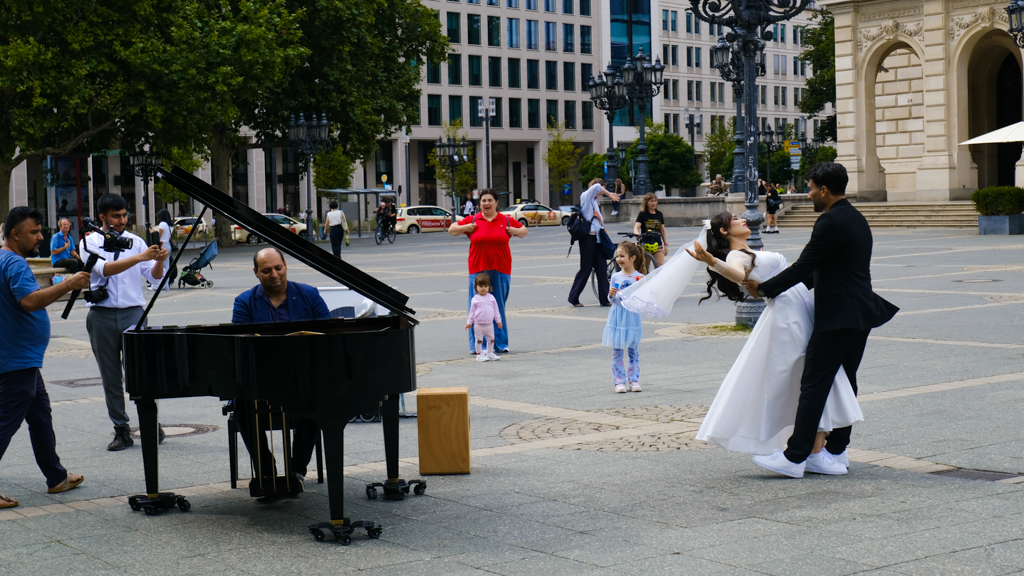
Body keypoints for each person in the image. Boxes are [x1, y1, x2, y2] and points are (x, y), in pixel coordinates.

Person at [741, 162, 899, 478]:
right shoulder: (855, 217)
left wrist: (765, 289)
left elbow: (804, 266)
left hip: (839, 315)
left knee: (813, 383)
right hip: (861, 311)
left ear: (824, 190)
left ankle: (795, 457)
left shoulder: (829, 222)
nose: (809, 193)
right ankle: (837, 451)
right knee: (844, 381)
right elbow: (826, 268)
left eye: (811, 187)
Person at [685, 211, 863, 473]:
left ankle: (821, 449)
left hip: (801, 308)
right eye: (735, 220)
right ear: (724, 232)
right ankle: (815, 452)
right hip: (788, 317)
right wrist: (712, 261)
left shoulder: (752, 249)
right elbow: (735, 274)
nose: (743, 219)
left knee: (816, 377)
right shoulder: (737, 255)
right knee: (810, 377)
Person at [0, 207, 90, 508]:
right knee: (4, 422)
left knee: (40, 415)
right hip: (17, 359)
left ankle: (56, 477)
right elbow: (28, 301)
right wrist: (68, 284)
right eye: (34, 232)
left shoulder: (3, 259)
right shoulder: (13, 263)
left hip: (20, 356)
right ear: (15, 234)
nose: (41, 237)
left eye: (41, 230)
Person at [232, 247, 330, 496]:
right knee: (240, 400)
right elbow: (240, 346)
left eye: (278, 268)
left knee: (318, 395)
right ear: (256, 272)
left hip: (303, 376)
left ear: (286, 265)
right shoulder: (244, 302)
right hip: (261, 380)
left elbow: (329, 334)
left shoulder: (309, 294)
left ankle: (297, 471)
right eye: (266, 271)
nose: (274, 274)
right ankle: (265, 469)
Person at [85, 194, 167, 451]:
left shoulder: (137, 241)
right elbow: (104, 269)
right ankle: (121, 429)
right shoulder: (90, 240)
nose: (122, 221)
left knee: (140, 372)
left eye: (124, 215)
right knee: (110, 376)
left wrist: (160, 260)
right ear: (102, 218)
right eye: (115, 216)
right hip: (101, 315)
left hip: (134, 312)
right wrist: (141, 257)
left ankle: (151, 422)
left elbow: (154, 278)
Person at [448, 189, 527, 355]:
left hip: (501, 268)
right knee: (477, 308)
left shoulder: (505, 219)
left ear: (496, 203)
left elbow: (524, 231)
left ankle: (500, 343)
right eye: (484, 201)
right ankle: (479, 346)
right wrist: (467, 227)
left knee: (498, 307)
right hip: (478, 269)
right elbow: (452, 229)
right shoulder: (474, 220)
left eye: (490, 200)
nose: (487, 203)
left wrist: (514, 231)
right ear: (480, 204)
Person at [567, 179, 620, 307]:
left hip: (598, 240)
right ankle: (573, 297)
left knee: (602, 269)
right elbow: (596, 186)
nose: (601, 193)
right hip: (588, 240)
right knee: (585, 269)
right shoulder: (586, 197)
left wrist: (599, 220)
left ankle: (604, 298)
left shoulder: (595, 202)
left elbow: (599, 223)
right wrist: (610, 194)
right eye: (601, 190)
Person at [604, 242, 646, 393]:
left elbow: (642, 299)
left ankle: (634, 380)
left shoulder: (640, 278)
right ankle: (618, 381)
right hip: (618, 316)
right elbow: (614, 301)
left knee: (633, 349)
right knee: (618, 349)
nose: (619, 259)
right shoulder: (615, 276)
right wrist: (611, 295)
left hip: (632, 317)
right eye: (617, 256)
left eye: (622, 256)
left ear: (633, 258)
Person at [465, 273, 502, 362]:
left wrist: (498, 320)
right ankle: (479, 354)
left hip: (489, 324)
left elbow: (496, 310)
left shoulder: (492, 298)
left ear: (489, 287)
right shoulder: (475, 299)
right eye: (480, 286)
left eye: (485, 286)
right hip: (478, 324)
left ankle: (489, 353)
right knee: (479, 340)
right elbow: (472, 313)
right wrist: (469, 322)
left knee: (491, 339)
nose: (483, 288)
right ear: (476, 287)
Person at [633, 193, 669, 267]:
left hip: (658, 245)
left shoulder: (659, 214)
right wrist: (637, 233)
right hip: (645, 245)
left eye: (655, 201)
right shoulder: (642, 214)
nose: (654, 203)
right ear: (646, 202)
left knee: (660, 268)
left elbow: (663, 230)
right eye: (651, 201)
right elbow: (637, 226)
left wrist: (666, 245)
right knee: (644, 269)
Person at [148, 209, 175, 290]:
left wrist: (152, 232)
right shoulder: (171, 225)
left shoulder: (162, 224)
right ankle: (165, 285)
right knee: (166, 267)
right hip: (168, 245)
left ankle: (156, 286)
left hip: (162, 245)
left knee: (158, 265)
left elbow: (158, 236)